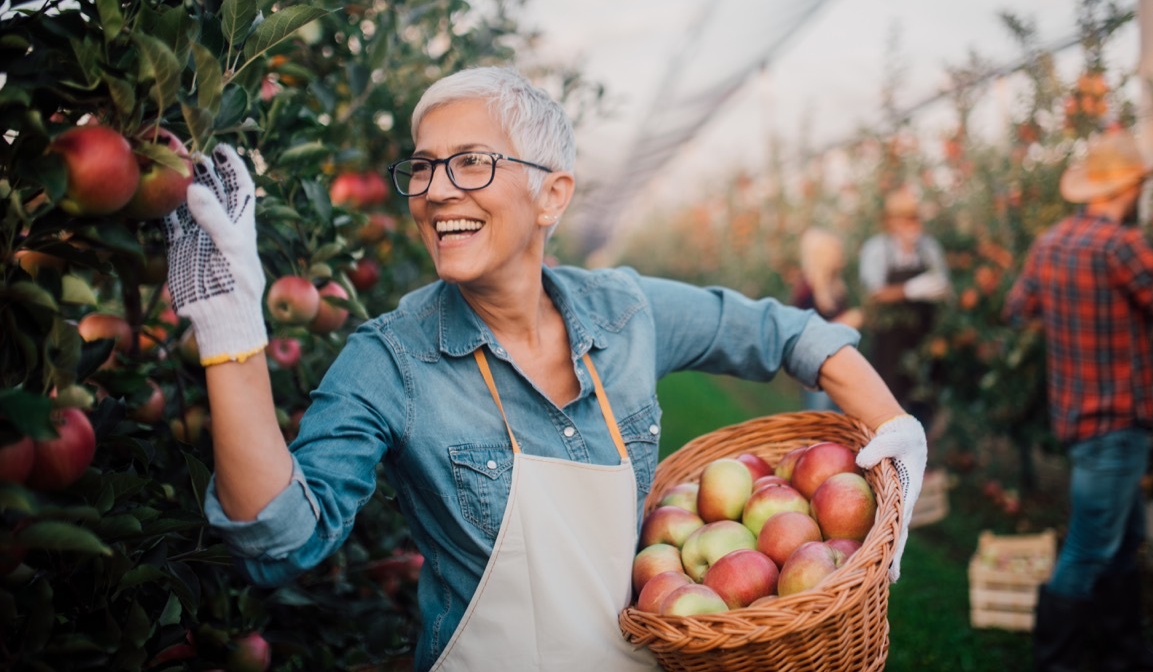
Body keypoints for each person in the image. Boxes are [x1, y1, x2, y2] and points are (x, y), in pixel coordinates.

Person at [164, 66, 928, 672]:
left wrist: (892, 423)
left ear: (551, 194)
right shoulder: (393, 358)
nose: (435, 192)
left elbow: (788, 332)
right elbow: (281, 540)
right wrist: (232, 336)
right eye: (424, 168)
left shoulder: (626, 314)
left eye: (470, 163)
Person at [1002, 128, 1153, 672]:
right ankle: (1057, 662)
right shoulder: (1121, 245)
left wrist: (1069, 313)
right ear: (1131, 186)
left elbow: (1016, 309)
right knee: (1089, 546)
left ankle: (1124, 651)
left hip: (1076, 417)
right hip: (1116, 422)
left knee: (1125, 533)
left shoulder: (1051, 243)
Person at [857, 186, 952, 431]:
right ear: (891, 222)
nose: (913, 224)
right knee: (890, 402)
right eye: (907, 218)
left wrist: (940, 290)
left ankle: (924, 458)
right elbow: (874, 294)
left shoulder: (928, 248)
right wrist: (910, 290)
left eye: (915, 218)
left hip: (923, 340)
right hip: (890, 342)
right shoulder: (877, 250)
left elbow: (944, 285)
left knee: (924, 400)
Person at [789, 227, 864, 411]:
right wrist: (843, 323)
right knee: (820, 417)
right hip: (817, 368)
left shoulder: (837, 288)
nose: (841, 255)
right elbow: (803, 333)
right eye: (836, 251)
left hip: (838, 365)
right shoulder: (807, 290)